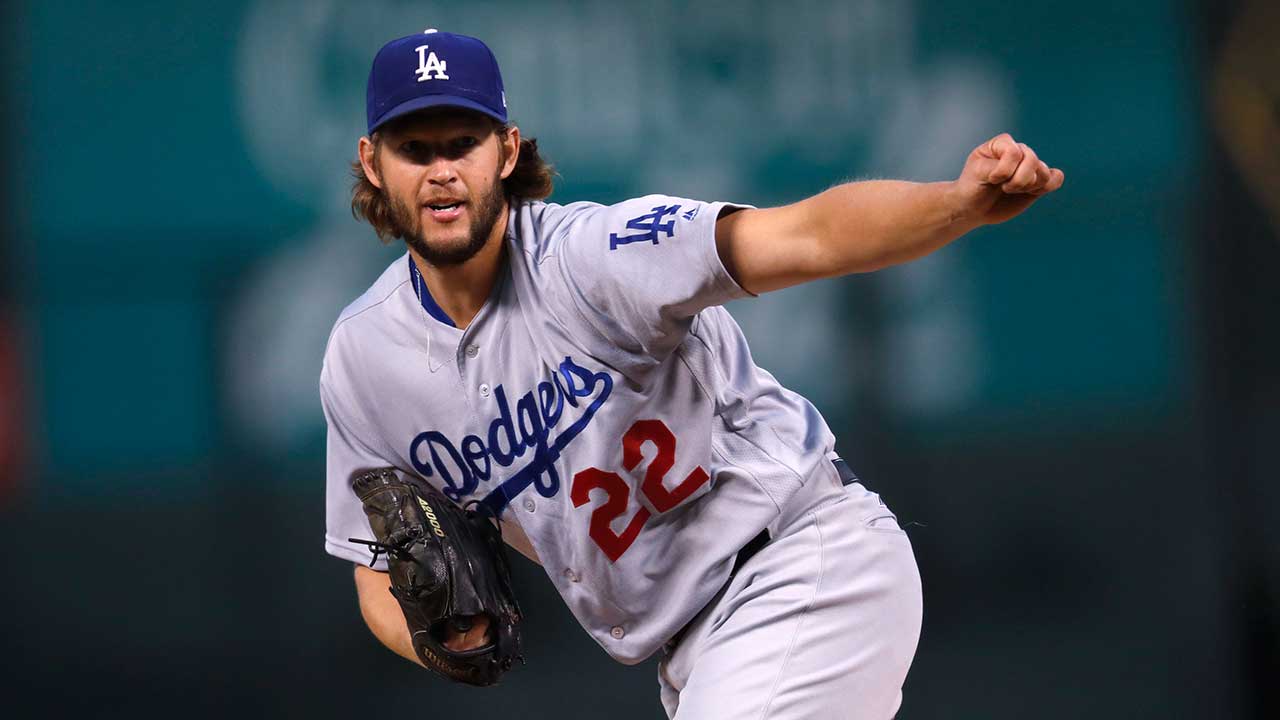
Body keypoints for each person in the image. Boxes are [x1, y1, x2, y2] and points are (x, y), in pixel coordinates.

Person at [321, 29, 1064, 719]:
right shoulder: (363, 360)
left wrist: (954, 204)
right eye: (415, 149)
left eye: (463, 142)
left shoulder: (594, 258)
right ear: (372, 163)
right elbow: (372, 566)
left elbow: (806, 233)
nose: (443, 170)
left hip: (801, 568)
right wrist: (434, 638)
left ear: (507, 152)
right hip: (694, 654)